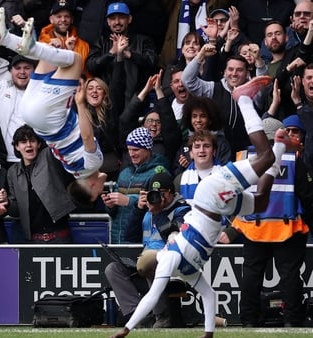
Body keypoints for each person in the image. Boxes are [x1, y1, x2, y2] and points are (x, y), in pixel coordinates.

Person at [111, 75, 297, 338]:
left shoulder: (169, 260)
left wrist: (126, 330)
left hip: (212, 196)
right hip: (218, 207)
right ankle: (279, 145)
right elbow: (209, 295)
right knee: (261, 201)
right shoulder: (186, 271)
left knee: (263, 157)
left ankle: (243, 99)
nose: (155, 272)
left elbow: (151, 297)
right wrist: (208, 333)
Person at [0, 6, 108, 205]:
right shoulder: (72, 169)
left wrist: (80, 104)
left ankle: (27, 46)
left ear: (92, 188)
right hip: (32, 117)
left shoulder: (93, 164)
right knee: (51, 56)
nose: (102, 189)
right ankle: (6, 38)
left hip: (51, 119)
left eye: (98, 193)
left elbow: (87, 136)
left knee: (77, 60)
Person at [230, 114, 312, 327]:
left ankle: (248, 321)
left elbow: (232, 194)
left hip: (253, 229)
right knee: (290, 277)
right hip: (287, 230)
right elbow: (308, 196)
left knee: (251, 276)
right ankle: (292, 321)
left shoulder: (242, 158)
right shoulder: (293, 160)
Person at [106, 172, 190, 328]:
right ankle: (138, 316)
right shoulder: (147, 210)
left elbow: (174, 238)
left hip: (172, 271)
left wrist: (158, 213)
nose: (157, 197)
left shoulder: (182, 210)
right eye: (154, 194)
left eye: (162, 193)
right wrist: (139, 209)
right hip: (145, 267)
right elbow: (130, 236)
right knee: (113, 269)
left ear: (171, 193)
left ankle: (162, 317)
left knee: (152, 262)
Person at [4, 125, 76, 243]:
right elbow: (16, 211)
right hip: (32, 239)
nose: (28, 145)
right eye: (23, 142)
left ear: (39, 144)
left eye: (32, 141)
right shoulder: (12, 172)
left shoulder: (48, 156)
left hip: (59, 235)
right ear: (17, 146)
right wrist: (6, 204)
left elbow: (58, 142)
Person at [85, 2, 157, 115]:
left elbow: (152, 63)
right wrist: (111, 53)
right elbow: (90, 66)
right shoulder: (102, 41)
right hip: (107, 102)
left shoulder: (143, 41)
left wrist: (129, 54)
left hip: (136, 100)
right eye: (113, 18)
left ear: (129, 19)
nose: (117, 22)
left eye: (121, 18)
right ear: (108, 22)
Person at [103, 127, 170, 244]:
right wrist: (110, 205)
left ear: (148, 149)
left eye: (135, 149)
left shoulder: (159, 172)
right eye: (129, 149)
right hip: (117, 239)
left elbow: (160, 203)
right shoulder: (124, 173)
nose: (131, 154)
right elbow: (113, 212)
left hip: (143, 240)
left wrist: (129, 201)